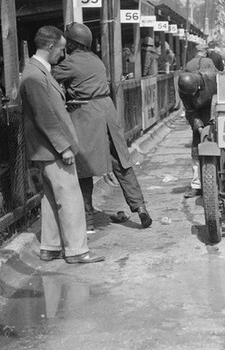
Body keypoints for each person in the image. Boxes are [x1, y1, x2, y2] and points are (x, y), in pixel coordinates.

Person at [52, 23, 153, 232]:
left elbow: (49, 79)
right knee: (121, 161)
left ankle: (87, 221)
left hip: (87, 114)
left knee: (84, 168)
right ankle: (140, 207)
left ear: (72, 43)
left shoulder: (70, 63)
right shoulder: (96, 60)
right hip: (107, 110)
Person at [19, 25, 104, 264]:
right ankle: (77, 250)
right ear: (49, 46)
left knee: (51, 198)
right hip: (51, 148)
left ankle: (51, 246)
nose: (63, 55)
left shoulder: (37, 71)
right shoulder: (35, 75)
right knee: (70, 197)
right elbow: (45, 117)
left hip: (45, 148)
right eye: (61, 49)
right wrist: (64, 147)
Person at [177, 70, 218, 198]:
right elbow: (190, 111)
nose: (193, 95)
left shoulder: (213, 79)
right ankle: (197, 185)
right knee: (196, 151)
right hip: (199, 117)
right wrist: (199, 128)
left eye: (194, 92)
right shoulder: (184, 91)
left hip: (217, 112)